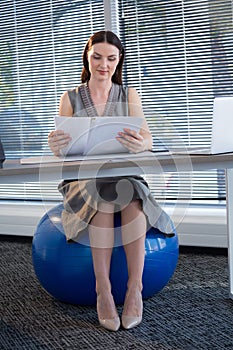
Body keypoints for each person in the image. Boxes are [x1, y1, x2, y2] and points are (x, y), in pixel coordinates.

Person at [48, 30, 174, 331]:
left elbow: (146, 137)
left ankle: (134, 290)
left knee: (131, 197)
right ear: (87, 58)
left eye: (111, 59)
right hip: (83, 179)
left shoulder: (128, 94)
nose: (104, 64)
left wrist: (142, 144)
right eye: (97, 57)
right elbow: (60, 146)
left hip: (123, 173)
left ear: (119, 62)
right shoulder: (70, 98)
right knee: (103, 202)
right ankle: (103, 291)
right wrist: (55, 145)